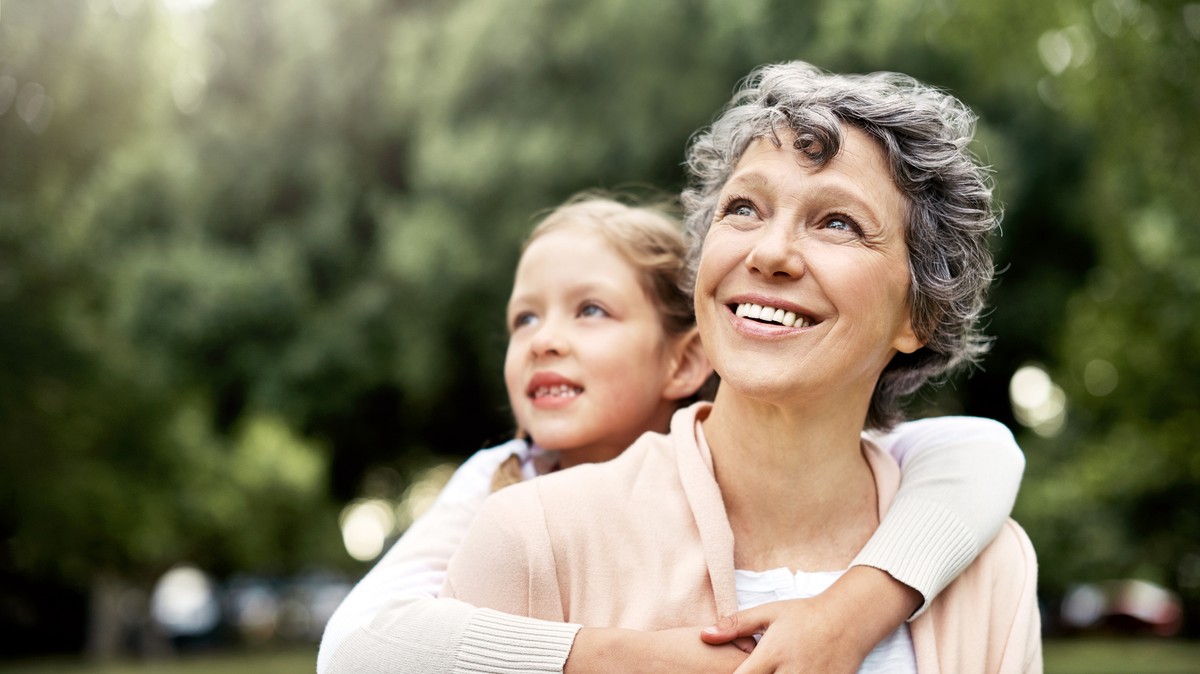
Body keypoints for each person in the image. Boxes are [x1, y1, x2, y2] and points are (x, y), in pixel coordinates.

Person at [441, 62, 1041, 673]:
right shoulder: (531, 541)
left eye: (839, 223)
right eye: (745, 209)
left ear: (920, 314)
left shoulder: (991, 570)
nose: (771, 252)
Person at [320, 193, 1027, 673]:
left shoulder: (804, 462)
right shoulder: (506, 480)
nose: (544, 342)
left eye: (590, 311)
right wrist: (622, 656)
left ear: (686, 359)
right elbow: (356, 647)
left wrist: (851, 611)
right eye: (523, 319)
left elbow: (982, 450)